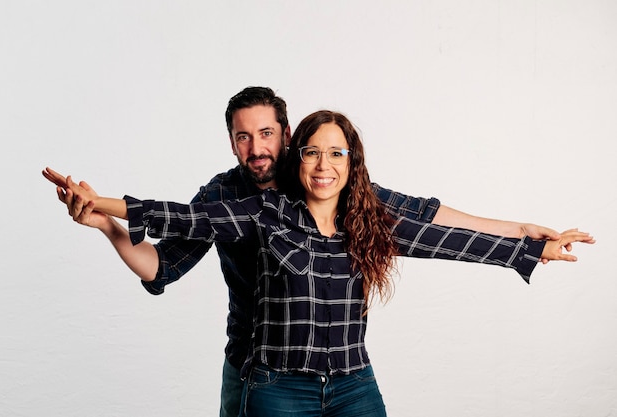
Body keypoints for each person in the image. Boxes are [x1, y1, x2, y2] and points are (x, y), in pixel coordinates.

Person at [43, 86, 575, 417]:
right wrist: (106, 221)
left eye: (267, 133)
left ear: (288, 134)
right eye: (243, 137)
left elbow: (432, 224)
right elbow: (167, 251)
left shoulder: (340, 190)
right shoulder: (235, 201)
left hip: (347, 377)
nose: (257, 148)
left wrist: (524, 236)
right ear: (232, 142)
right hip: (257, 371)